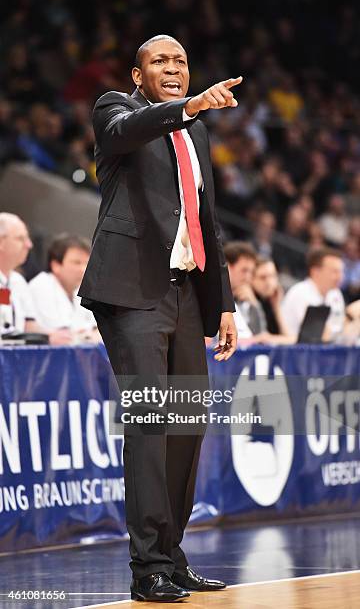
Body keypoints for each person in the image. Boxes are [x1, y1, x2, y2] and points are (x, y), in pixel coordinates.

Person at [78, 35, 239, 602]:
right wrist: (188, 108)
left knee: (186, 429)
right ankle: (147, 566)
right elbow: (128, 132)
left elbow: (206, 221)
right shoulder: (115, 109)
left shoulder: (195, 132)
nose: (173, 68)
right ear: (138, 75)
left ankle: (171, 556)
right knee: (150, 425)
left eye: (181, 61)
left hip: (186, 294)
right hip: (131, 293)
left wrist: (223, 302)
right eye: (160, 62)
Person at [0, 213, 74, 345]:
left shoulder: (18, 281)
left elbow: (29, 324)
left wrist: (53, 335)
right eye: (20, 238)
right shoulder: (42, 283)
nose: (29, 245)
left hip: (14, 358)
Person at [29, 234, 101, 343]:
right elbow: (62, 334)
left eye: (86, 263)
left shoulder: (80, 289)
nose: (83, 269)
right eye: (77, 262)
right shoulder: (42, 285)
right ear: (56, 266)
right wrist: (86, 335)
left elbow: (95, 328)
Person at [281, 247, 345, 341]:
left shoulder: (336, 294)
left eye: (341, 271)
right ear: (315, 271)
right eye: (334, 271)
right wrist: (349, 318)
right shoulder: (300, 293)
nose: (340, 277)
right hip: (295, 351)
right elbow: (319, 336)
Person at [223, 241, 266, 337]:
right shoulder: (215, 297)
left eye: (251, 272)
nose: (248, 277)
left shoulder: (248, 299)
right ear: (228, 267)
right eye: (244, 270)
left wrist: (255, 305)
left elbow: (261, 336)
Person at [251, 256, 295, 345]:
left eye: (272, 276)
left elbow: (291, 339)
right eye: (262, 277)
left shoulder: (272, 301)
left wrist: (277, 308)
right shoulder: (247, 301)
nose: (269, 282)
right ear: (251, 279)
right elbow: (261, 340)